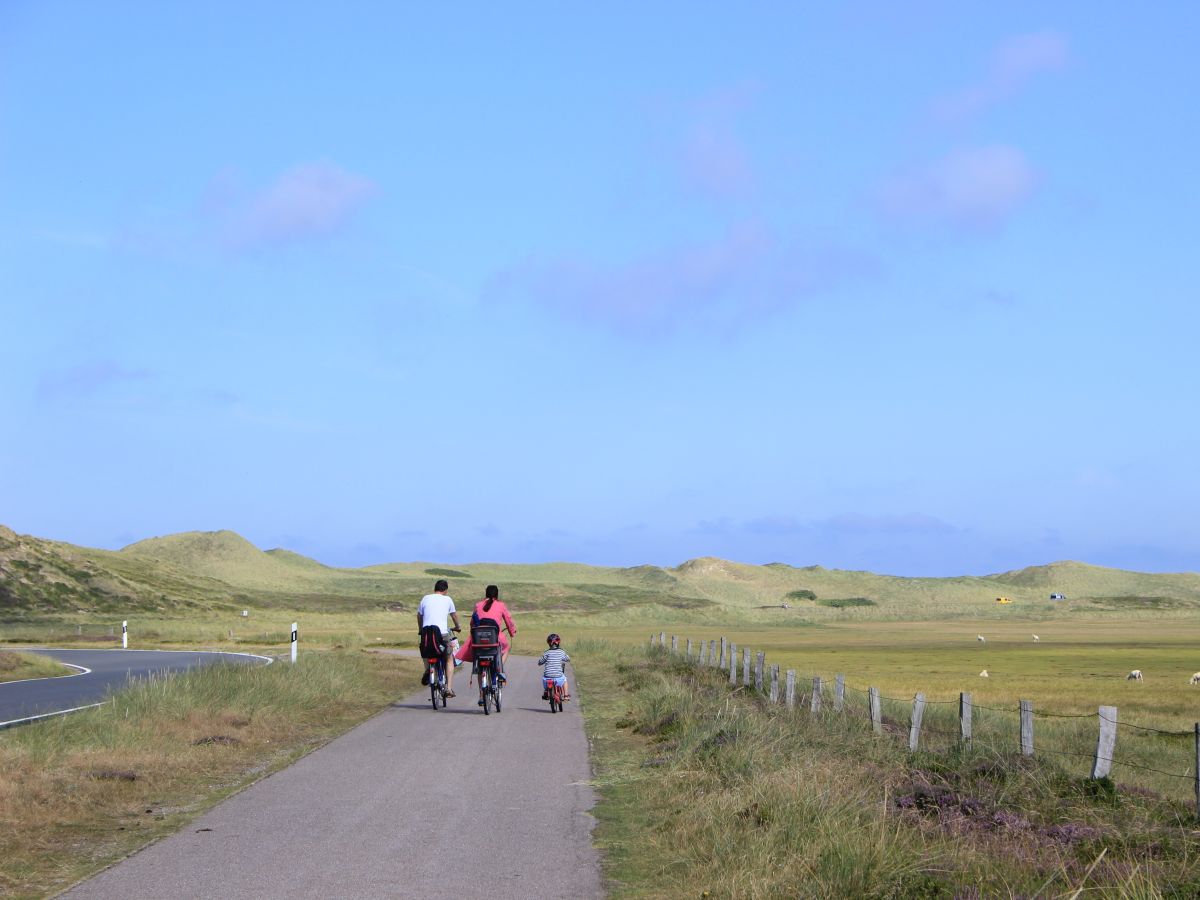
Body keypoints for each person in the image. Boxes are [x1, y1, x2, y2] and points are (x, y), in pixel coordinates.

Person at [456, 584, 517, 689]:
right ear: (497, 594)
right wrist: (512, 632)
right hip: (495, 639)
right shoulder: (501, 605)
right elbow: (508, 621)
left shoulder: (478, 605)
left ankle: (481, 695)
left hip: (479, 640)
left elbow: (472, 623)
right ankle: (499, 668)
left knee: (480, 664)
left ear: (486, 593)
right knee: (506, 648)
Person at [417, 579, 461, 697]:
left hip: (427, 632)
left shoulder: (425, 598)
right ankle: (449, 688)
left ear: (435, 589)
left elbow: (419, 615)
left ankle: (427, 669)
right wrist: (458, 627)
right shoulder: (447, 599)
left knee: (425, 650)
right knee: (448, 658)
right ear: (445, 590)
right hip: (442, 634)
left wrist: (421, 629)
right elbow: (454, 615)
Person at [538, 633, 570, 701]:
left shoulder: (547, 652)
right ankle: (566, 695)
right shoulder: (561, 651)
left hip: (547, 678)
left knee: (546, 678)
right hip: (558, 677)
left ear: (549, 643)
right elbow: (567, 659)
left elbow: (540, 662)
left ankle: (546, 691)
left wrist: (541, 662)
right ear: (558, 642)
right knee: (564, 679)